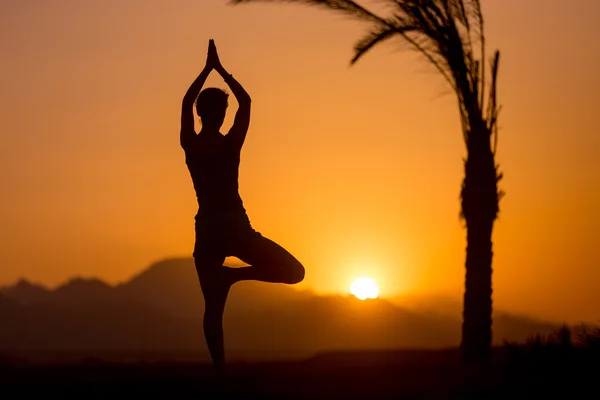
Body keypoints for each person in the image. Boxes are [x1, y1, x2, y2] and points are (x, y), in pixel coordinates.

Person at [180, 39, 305, 369]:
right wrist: (220, 70)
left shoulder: (190, 144)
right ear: (221, 113)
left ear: (198, 113)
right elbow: (246, 102)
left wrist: (206, 71)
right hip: (235, 226)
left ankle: (220, 372)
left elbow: (185, 101)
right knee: (295, 272)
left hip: (207, 228)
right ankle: (235, 277)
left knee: (213, 309)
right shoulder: (230, 144)